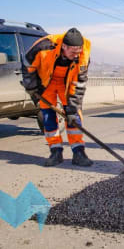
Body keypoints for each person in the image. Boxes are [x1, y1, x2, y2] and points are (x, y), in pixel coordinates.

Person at [22, 28, 93, 167]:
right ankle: (55, 151)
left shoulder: (83, 54)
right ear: (64, 47)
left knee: (74, 117)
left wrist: (72, 108)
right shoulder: (43, 46)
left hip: (67, 83)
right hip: (46, 82)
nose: (76, 55)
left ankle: (78, 152)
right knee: (48, 117)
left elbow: (79, 83)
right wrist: (32, 88)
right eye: (73, 52)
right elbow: (27, 65)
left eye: (78, 52)